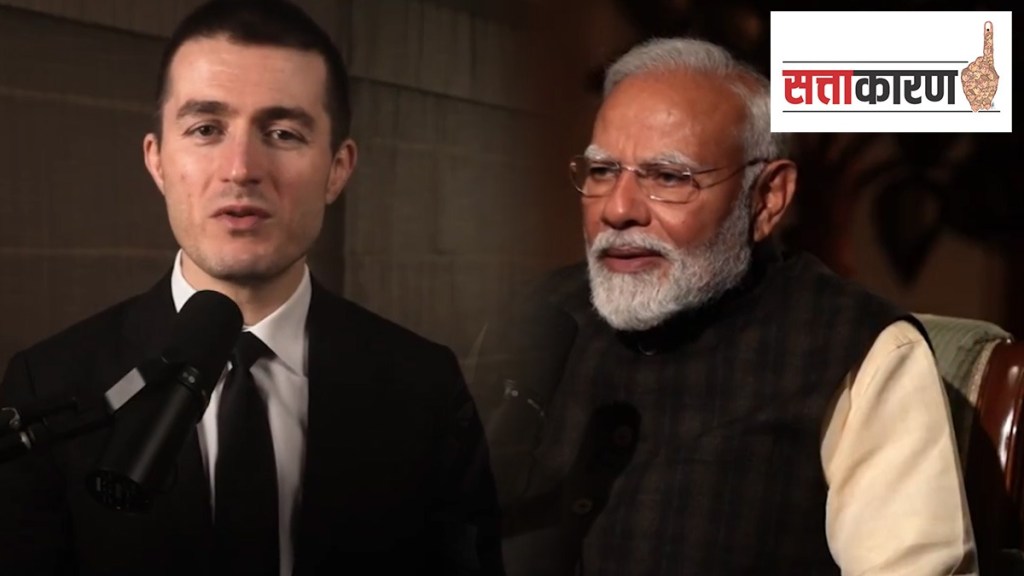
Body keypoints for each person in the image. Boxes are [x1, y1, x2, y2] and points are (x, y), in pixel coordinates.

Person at [0, 1, 502, 575]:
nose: (241, 168)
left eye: (283, 133)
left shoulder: (425, 387)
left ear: (338, 169)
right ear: (157, 161)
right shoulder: (51, 386)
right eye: (206, 129)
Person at [479, 38, 977, 575]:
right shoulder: (539, 313)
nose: (618, 210)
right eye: (602, 171)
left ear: (766, 198)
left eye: (668, 177)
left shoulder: (855, 347)